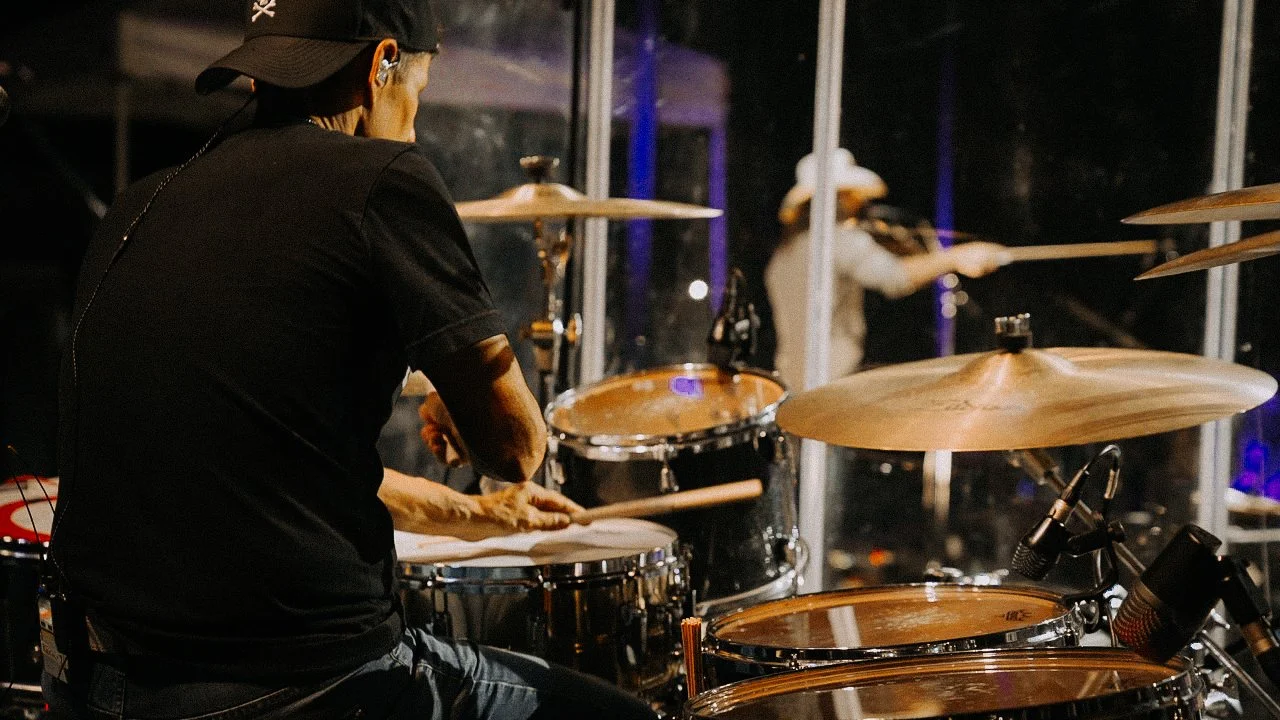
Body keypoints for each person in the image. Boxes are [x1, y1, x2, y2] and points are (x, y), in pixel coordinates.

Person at [44, 0, 656, 718]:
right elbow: (517, 447)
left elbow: (255, 463)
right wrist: (465, 394)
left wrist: (470, 511)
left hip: (96, 684)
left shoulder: (139, 205)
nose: (416, 124)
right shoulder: (381, 179)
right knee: (623, 715)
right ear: (382, 63)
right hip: (298, 686)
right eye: (418, 91)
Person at [765, 148, 1010, 389]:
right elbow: (896, 277)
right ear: (839, 197)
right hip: (832, 381)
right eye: (853, 195)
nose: (861, 203)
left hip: (792, 383)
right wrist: (957, 257)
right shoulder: (836, 240)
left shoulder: (786, 251)